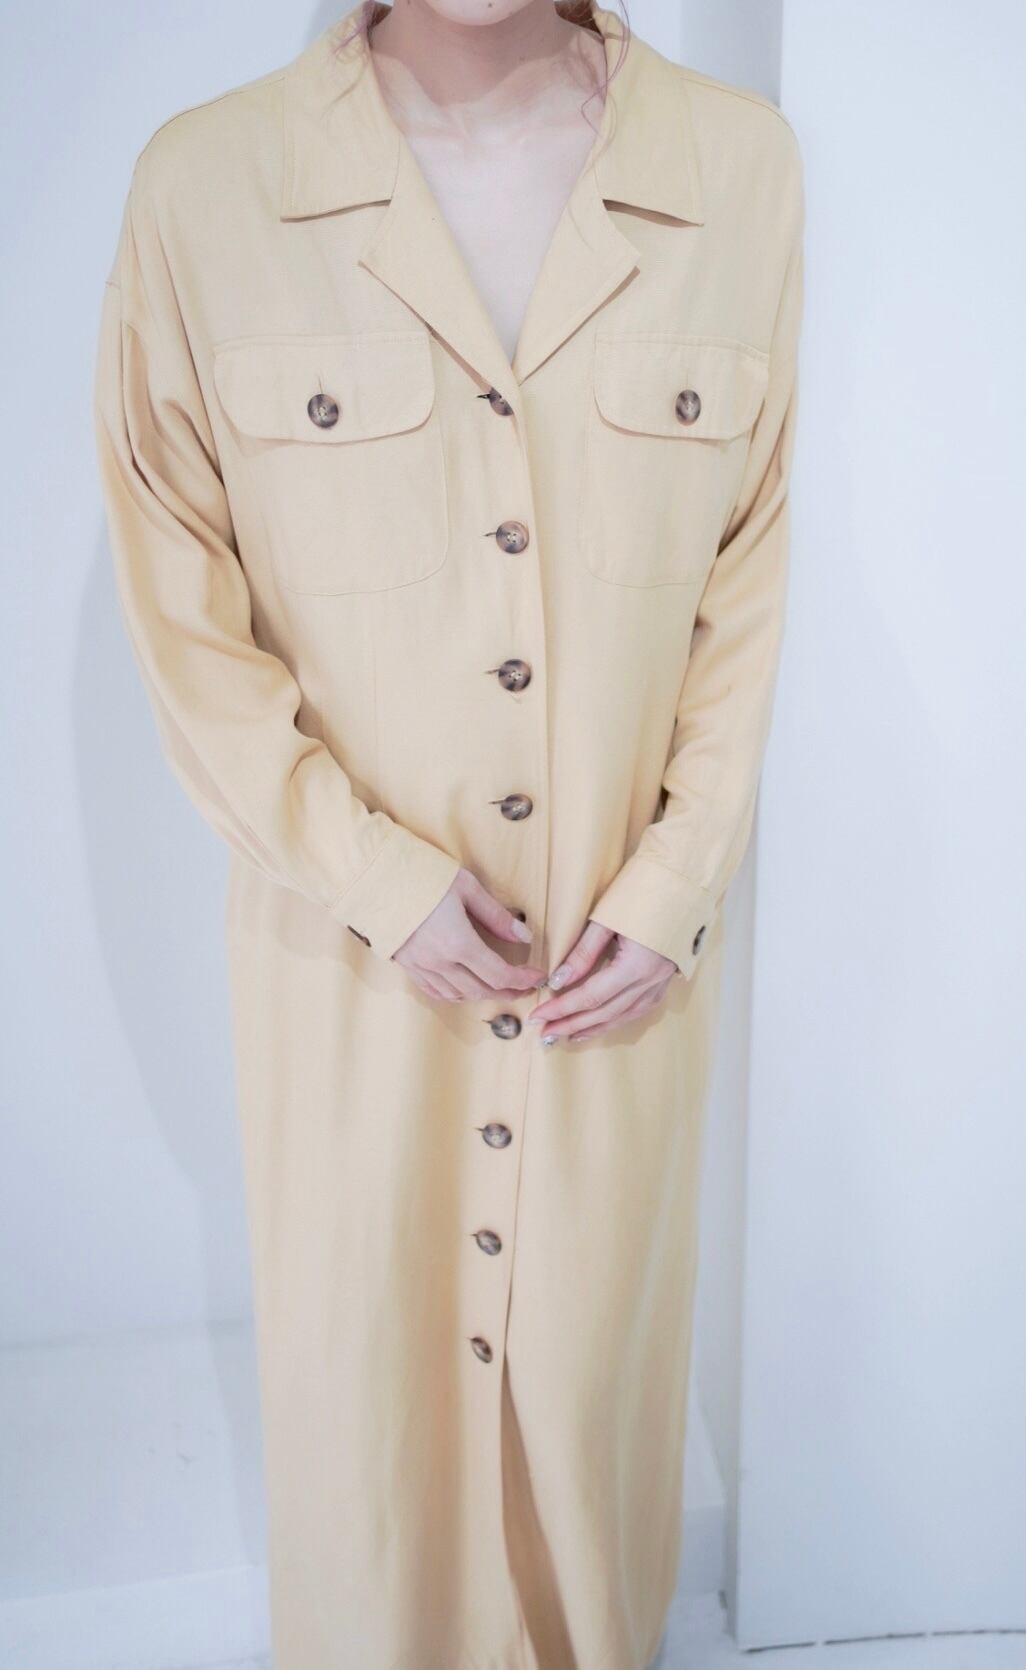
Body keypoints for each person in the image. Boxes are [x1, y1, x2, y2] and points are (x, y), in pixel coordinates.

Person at [92, 1, 804, 1665]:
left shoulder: (737, 171)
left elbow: (752, 568)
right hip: (346, 975)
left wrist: (679, 875)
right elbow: (178, 603)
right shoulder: (206, 185)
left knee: (588, 1385)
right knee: (370, 1403)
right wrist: (368, 874)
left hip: (614, 968)